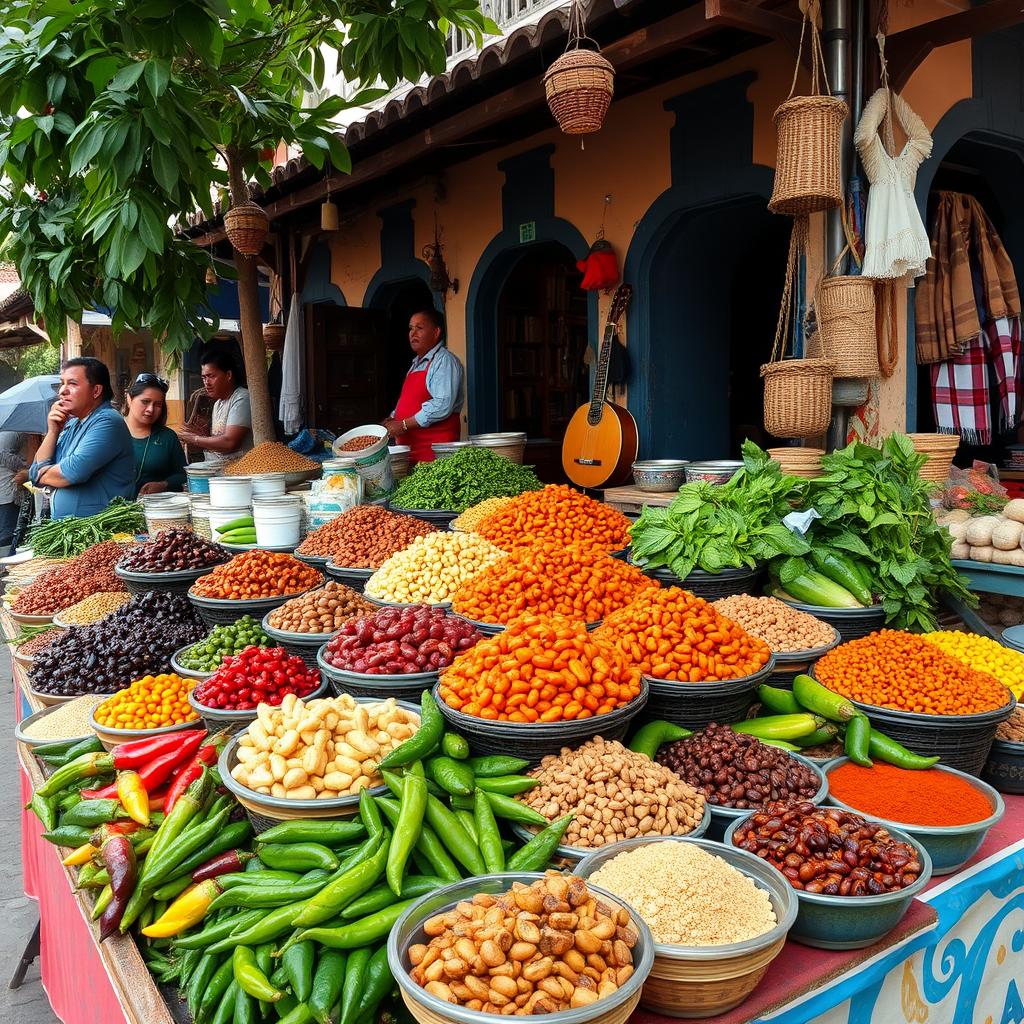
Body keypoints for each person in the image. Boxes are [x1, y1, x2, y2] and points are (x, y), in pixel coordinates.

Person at [29, 357, 135, 519]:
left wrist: (41, 474)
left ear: (96, 391)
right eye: (62, 383)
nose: (62, 391)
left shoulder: (108, 421)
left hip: (99, 532)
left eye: (72, 383)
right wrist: (53, 432)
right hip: (68, 530)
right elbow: (34, 472)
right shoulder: (73, 424)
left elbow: (69, 474)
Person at [382, 308, 464, 463]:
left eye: (419, 328)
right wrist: (393, 417)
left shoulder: (444, 361)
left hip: (433, 451)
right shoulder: (415, 364)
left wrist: (404, 424)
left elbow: (442, 405)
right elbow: (408, 400)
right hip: (410, 450)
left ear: (436, 332)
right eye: (411, 328)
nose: (413, 333)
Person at [178, 349, 253, 468]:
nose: (206, 383)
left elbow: (229, 443)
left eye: (211, 376)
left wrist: (195, 439)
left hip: (240, 472)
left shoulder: (242, 398)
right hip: (219, 470)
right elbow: (219, 439)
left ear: (228, 375)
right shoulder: (218, 403)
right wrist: (202, 437)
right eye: (203, 378)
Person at [123, 373, 188, 496]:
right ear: (129, 399)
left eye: (157, 405)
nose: (150, 409)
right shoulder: (111, 432)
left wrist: (164, 484)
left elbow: (183, 475)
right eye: (145, 401)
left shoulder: (167, 437)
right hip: (112, 510)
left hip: (156, 509)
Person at [0, 431, 28, 551]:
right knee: (7, 535)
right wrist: (27, 468)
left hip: (7, 491)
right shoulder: (12, 432)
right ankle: (4, 567)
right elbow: (3, 454)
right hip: (7, 492)